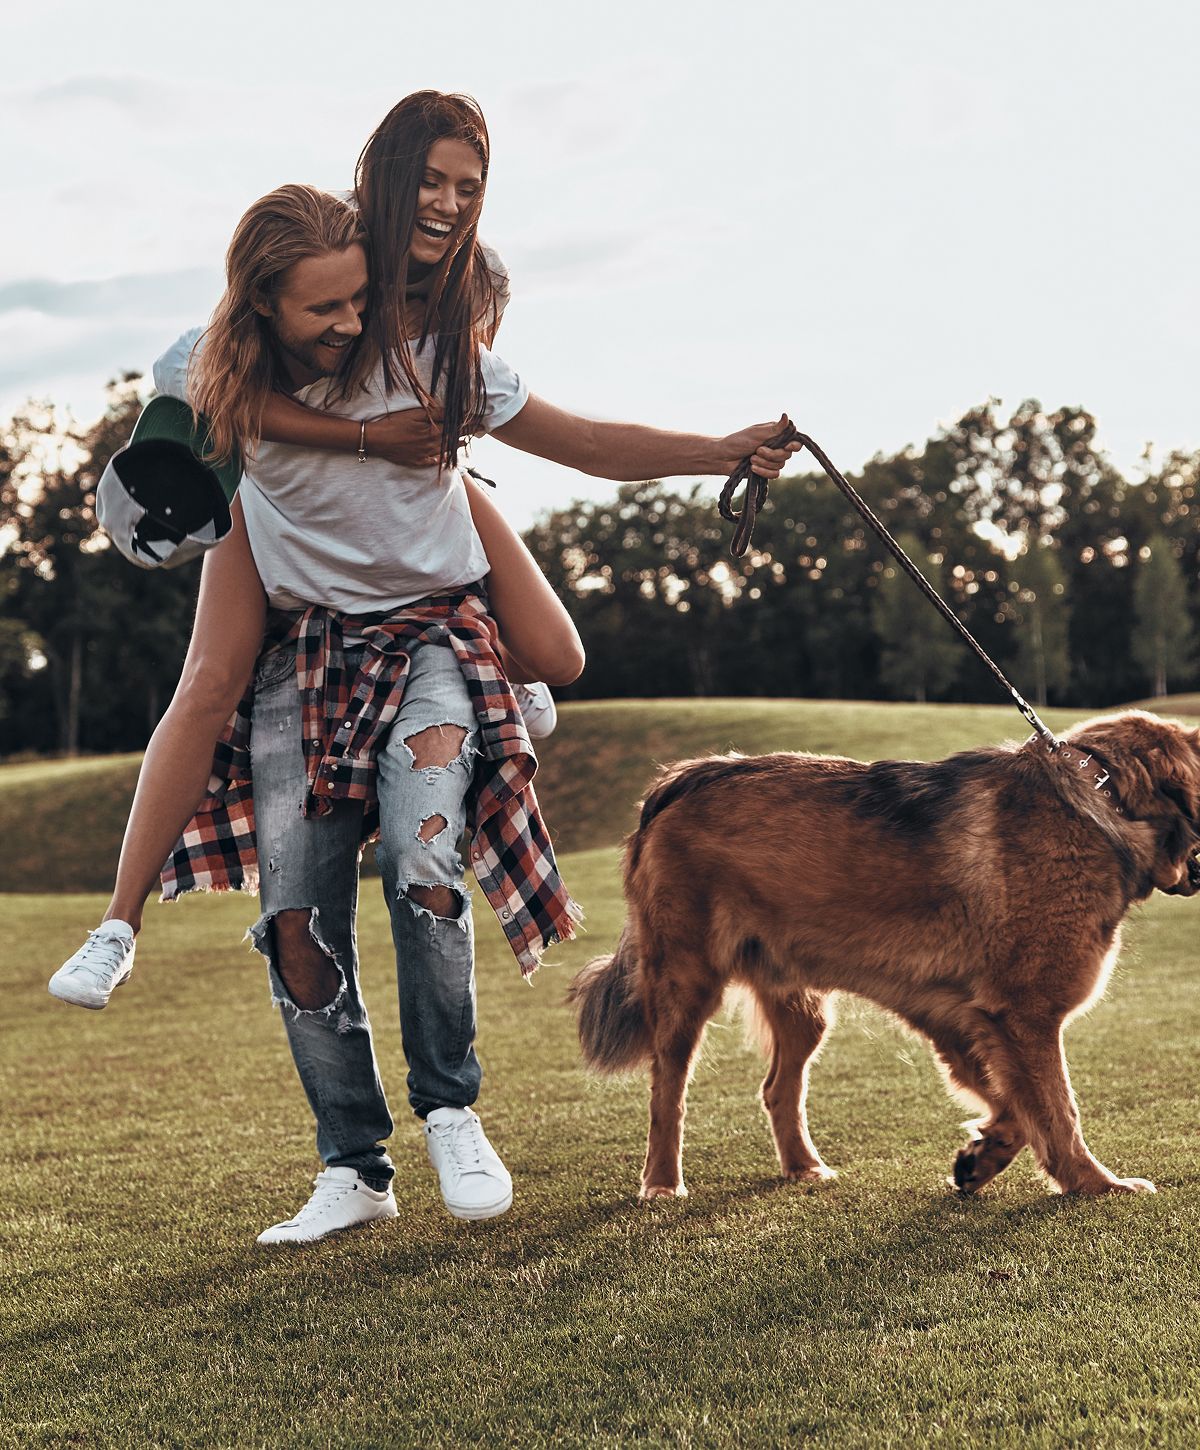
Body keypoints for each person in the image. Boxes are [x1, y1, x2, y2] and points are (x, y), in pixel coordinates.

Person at [53, 96, 799, 1244]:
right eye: (432, 182)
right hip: (308, 647)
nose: (449, 205)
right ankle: (352, 1166)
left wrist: (721, 448)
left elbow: (590, 444)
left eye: (472, 183)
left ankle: (452, 1108)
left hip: (431, 636)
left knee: (426, 859)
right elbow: (197, 411)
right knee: (297, 921)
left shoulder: (450, 358)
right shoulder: (247, 339)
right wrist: (343, 442)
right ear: (381, 188)